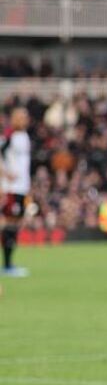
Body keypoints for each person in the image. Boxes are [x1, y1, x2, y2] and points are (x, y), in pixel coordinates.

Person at [1, 106, 32, 277]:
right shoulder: (9, 134)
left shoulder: (24, 136)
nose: (24, 119)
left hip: (22, 187)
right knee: (10, 224)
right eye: (21, 116)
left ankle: (8, 264)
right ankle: (6, 265)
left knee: (14, 224)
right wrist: (4, 173)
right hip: (12, 188)